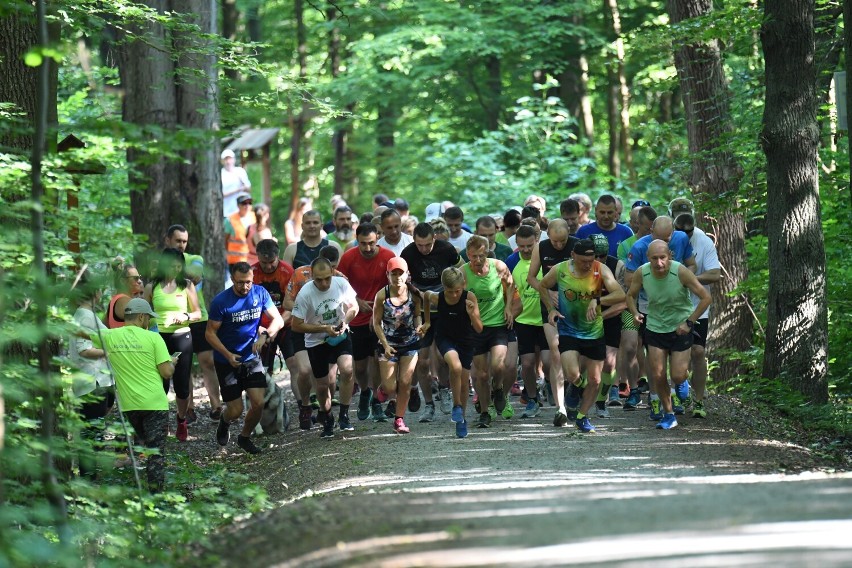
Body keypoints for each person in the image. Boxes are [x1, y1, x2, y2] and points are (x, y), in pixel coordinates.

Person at [539, 239, 625, 433]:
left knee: (595, 380)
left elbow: (620, 294)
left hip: (594, 331)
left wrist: (598, 300)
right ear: (573, 256)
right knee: (572, 374)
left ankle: (581, 417)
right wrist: (551, 308)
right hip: (569, 329)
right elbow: (543, 286)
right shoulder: (560, 270)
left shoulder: (600, 270)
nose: (587, 265)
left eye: (591, 260)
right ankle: (576, 386)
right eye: (583, 261)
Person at [91, 298, 176, 492]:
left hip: (130, 406)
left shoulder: (110, 336)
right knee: (156, 453)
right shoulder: (154, 338)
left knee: (144, 446)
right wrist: (172, 362)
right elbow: (166, 372)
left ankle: (139, 487)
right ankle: (156, 496)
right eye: (148, 318)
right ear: (141, 317)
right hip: (155, 404)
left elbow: (84, 333)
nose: (149, 322)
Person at [625, 239, 711, 429]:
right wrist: (635, 313)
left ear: (669, 256)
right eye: (654, 258)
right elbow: (630, 295)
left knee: (678, 375)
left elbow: (706, 297)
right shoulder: (643, 272)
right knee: (658, 374)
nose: (659, 263)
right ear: (648, 258)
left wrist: (689, 322)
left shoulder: (680, 271)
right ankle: (669, 414)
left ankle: (682, 383)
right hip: (655, 326)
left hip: (680, 326)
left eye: (662, 258)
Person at [206, 262, 285, 454]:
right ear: (232, 279)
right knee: (236, 410)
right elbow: (209, 334)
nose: (245, 287)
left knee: (258, 403)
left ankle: (245, 437)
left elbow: (279, 319)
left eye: (248, 282)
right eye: (240, 283)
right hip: (226, 360)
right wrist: (227, 354)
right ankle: (225, 422)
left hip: (251, 357)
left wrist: (264, 335)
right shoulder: (221, 302)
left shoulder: (260, 293)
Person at [291, 257, 359, 439]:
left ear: (333, 273)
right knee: (322, 387)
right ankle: (327, 418)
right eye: (319, 279)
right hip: (316, 342)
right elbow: (296, 325)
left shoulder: (341, 284)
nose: (324, 283)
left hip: (340, 335)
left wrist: (345, 322)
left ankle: (344, 415)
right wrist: (323, 328)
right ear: (312, 276)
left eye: (327, 278)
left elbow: (354, 307)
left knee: (347, 369)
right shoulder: (305, 293)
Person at [401, 222, 462, 421]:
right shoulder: (408, 254)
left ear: (434, 239)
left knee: (444, 356)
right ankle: (428, 404)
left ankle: (444, 390)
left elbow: (461, 271)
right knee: (422, 359)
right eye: (420, 245)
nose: (424, 249)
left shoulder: (446, 249)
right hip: (420, 308)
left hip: (444, 307)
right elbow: (402, 280)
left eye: (427, 244)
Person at [337, 223, 396, 422]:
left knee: (379, 361)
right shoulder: (348, 258)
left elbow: (396, 288)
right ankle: (365, 391)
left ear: (378, 237)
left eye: (371, 243)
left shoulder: (388, 257)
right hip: (356, 318)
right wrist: (356, 301)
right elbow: (339, 286)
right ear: (357, 241)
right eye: (363, 244)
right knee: (360, 367)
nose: (368, 248)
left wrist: (381, 310)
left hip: (381, 318)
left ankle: (377, 400)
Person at [163, 224, 223, 422]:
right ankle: (189, 408)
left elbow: (195, 275)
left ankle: (216, 406)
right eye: (177, 241)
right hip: (173, 322)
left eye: (184, 241)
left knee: (208, 361)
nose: (181, 245)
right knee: (183, 366)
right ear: (168, 240)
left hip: (199, 318)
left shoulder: (195, 259)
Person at [283, 245, 345, 429]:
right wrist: (305, 309)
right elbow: (287, 302)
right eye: (325, 272)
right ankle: (305, 405)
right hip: (302, 328)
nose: (329, 277)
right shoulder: (299, 275)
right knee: (304, 370)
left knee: (330, 378)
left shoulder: (340, 278)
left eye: (333, 270)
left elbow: (350, 301)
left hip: (327, 330)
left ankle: (324, 411)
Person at [144, 248, 201, 442]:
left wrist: (184, 316)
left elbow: (198, 314)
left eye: (179, 267)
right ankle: (161, 420)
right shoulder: (152, 287)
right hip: (159, 338)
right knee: (160, 383)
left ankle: (181, 419)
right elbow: (143, 314)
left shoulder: (186, 285)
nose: (175, 270)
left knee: (182, 384)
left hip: (181, 336)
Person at [423, 267, 484, 438]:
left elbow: (479, 328)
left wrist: (472, 314)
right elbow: (426, 296)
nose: (455, 295)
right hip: (445, 339)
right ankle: (456, 406)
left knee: (464, 383)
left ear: (463, 285)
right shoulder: (438, 297)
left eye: (458, 291)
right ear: (443, 288)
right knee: (455, 367)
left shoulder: (469, 297)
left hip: (466, 340)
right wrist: (427, 322)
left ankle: (461, 419)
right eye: (450, 291)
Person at [526, 219, 578, 413]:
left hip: (575, 304)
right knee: (556, 351)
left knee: (576, 353)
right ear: (548, 234)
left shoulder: (576, 245)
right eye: (555, 241)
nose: (558, 245)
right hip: (548, 304)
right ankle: (560, 407)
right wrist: (549, 293)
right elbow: (531, 277)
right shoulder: (541, 247)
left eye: (562, 241)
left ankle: (574, 386)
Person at [673, 211, 721, 418]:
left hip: (697, 306)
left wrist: (689, 279)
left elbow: (715, 274)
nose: (685, 234)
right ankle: (675, 393)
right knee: (673, 352)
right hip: (670, 307)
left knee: (698, 351)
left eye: (689, 231)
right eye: (680, 230)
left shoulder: (703, 241)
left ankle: (699, 400)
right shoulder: (664, 239)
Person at [463, 235, 515, 428]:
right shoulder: (463, 273)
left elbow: (510, 285)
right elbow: (454, 297)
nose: (477, 260)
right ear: (468, 254)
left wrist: (508, 307)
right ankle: (485, 411)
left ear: (487, 253)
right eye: (474, 256)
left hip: (497, 324)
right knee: (482, 375)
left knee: (498, 365)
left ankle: (499, 388)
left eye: (481, 256)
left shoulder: (498, 267)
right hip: (475, 328)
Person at [372, 257, 428, 434]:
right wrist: (385, 344)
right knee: (390, 387)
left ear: (407, 274)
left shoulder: (414, 294)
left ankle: (399, 419)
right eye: (393, 274)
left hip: (410, 342)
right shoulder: (382, 295)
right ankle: (383, 389)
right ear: (387, 275)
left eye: (400, 273)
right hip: (388, 344)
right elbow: (376, 323)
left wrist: (419, 326)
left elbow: (418, 315)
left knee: (405, 382)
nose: (397, 277)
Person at [68, 267, 115, 479]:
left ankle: (90, 479)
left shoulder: (84, 314)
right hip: (91, 383)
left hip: (90, 382)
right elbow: (84, 349)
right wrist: (110, 350)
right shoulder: (85, 315)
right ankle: (89, 480)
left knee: (91, 434)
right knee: (91, 436)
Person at [504, 225, 549, 418]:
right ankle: (532, 398)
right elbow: (507, 289)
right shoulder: (512, 262)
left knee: (548, 362)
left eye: (529, 245)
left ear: (537, 240)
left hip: (546, 318)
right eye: (521, 246)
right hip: (523, 320)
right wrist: (509, 310)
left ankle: (552, 388)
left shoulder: (545, 259)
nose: (525, 250)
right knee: (528, 363)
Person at [589, 233, 627, 417]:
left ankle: (601, 401)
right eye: (595, 256)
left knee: (608, 362)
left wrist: (601, 315)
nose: (598, 260)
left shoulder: (617, 266)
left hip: (609, 316)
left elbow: (624, 301)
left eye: (602, 256)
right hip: (583, 318)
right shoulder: (577, 266)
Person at [251, 238, 295, 378]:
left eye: (272, 262)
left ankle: (302, 400)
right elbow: (248, 308)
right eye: (264, 263)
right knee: (263, 371)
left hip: (285, 325)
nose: (268, 267)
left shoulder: (287, 271)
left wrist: (275, 328)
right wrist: (260, 330)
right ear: (257, 256)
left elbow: (292, 306)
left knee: (295, 365)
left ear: (278, 256)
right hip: (260, 329)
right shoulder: (251, 273)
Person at [106, 259, 145, 328]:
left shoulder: (114, 300)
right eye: (136, 278)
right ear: (123, 281)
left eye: (140, 277)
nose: (140, 281)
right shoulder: (126, 302)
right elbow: (141, 327)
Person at [225, 194, 257, 269]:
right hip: (235, 261)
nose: (247, 205)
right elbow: (225, 240)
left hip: (252, 260)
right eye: (244, 203)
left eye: (249, 203)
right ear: (238, 205)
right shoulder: (230, 220)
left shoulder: (255, 217)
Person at [221, 149, 251, 217]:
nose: (228, 161)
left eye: (230, 158)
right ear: (222, 161)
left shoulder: (240, 171)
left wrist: (243, 185)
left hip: (240, 211)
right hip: (226, 212)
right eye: (226, 159)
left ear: (234, 159)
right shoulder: (221, 174)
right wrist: (237, 190)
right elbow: (221, 194)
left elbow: (248, 189)